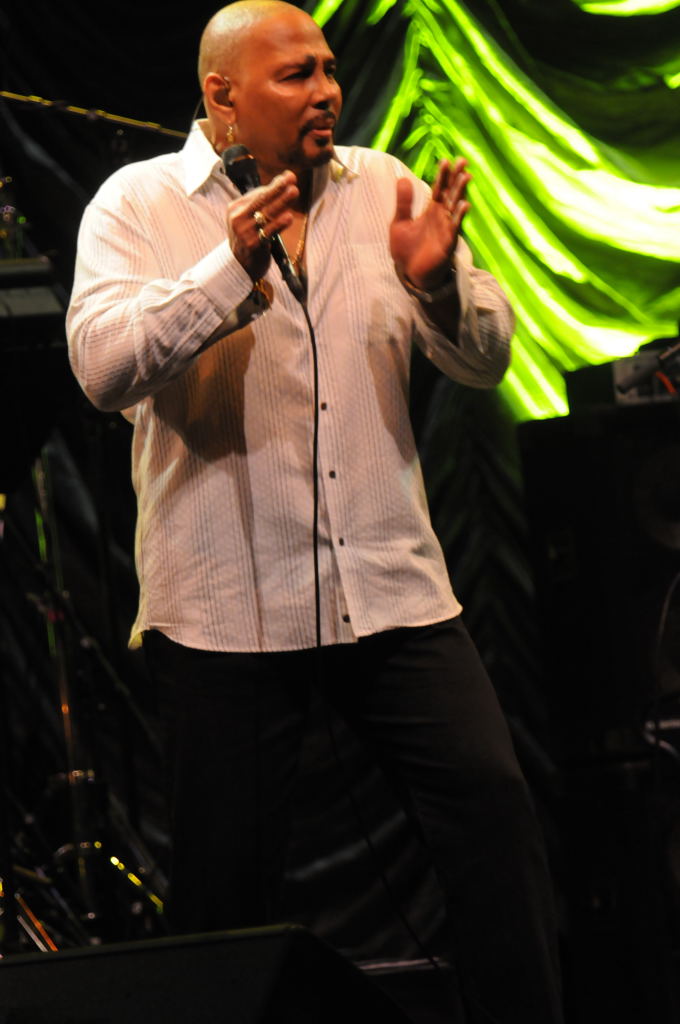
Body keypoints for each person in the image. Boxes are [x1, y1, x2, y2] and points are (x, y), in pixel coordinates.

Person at [67, 2, 564, 1020]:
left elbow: (486, 359)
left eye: (330, 68)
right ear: (221, 94)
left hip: (390, 590)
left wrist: (438, 287)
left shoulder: (381, 185)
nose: (328, 90)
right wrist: (227, 271)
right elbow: (101, 370)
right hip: (226, 613)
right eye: (296, 74)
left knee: (494, 817)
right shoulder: (138, 204)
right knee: (223, 898)